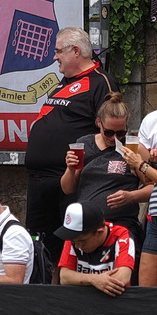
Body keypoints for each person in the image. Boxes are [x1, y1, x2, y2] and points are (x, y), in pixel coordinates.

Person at [25, 27, 118, 267]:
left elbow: (111, 132)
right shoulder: (63, 83)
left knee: (68, 249)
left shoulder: (101, 82)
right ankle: (40, 297)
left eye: (58, 52)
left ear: (75, 51)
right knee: (39, 249)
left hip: (70, 181)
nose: (54, 57)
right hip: (39, 181)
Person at [60, 92, 151, 244]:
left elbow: (152, 188)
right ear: (99, 123)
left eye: (120, 133)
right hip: (86, 224)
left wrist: (131, 196)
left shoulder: (133, 148)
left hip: (120, 224)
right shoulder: (84, 144)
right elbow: (68, 189)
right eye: (108, 132)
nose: (114, 138)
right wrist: (70, 169)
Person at [55, 201, 134, 296]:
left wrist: (80, 279)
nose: (77, 246)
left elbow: (122, 278)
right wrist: (93, 279)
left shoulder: (121, 236)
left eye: (82, 241)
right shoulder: (74, 238)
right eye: (74, 241)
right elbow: (64, 277)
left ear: (99, 232)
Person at [122, 112, 157, 285]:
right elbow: (149, 180)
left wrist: (140, 165)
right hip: (155, 217)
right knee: (146, 290)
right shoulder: (152, 120)